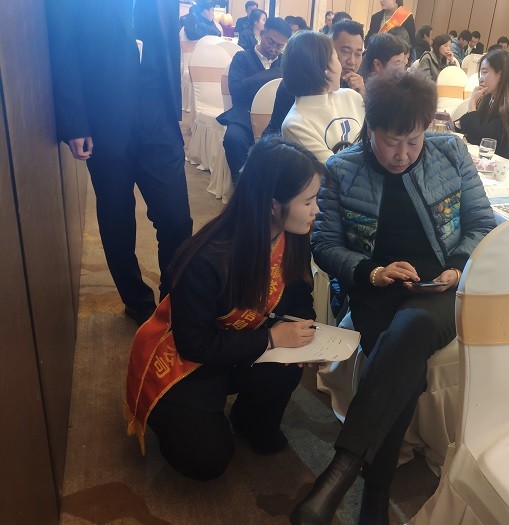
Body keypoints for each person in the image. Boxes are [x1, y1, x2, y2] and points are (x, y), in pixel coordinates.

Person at [292, 69, 496, 525]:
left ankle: (341, 473)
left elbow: (483, 223)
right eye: (391, 142)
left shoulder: (451, 153)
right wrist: (373, 271)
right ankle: (375, 491)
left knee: (414, 326)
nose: (402, 154)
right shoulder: (343, 169)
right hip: (377, 291)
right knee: (402, 358)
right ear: (371, 129)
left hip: (439, 289)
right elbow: (324, 245)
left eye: (413, 141)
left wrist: (456, 265)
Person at [125, 138, 323, 481]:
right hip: (185, 361)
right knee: (208, 459)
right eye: (308, 201)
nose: (316, 209)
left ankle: (249, 421)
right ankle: (173, 417)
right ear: (273, 205)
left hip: (237, 344)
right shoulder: (206, 258)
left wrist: (307, 334)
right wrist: (271, 340)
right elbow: (193, 343)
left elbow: (299, 294)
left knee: (287, 366)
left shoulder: (292, 236)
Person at [47, 0, 193, 325]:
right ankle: (137, 303)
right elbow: (63, 45)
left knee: (177, 220)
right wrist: (75, 121)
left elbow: (168, 40)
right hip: (103, 113)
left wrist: (173, 110)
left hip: (158, 111)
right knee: (117, 218)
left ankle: (172, 302)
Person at [218, 17, 292, 182]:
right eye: (270, 42)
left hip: (276, 119)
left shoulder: (284, 63)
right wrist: (274, 74)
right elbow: (236, 91)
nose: (273, 49)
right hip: (245, 116)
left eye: (279, 46)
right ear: (262, 33)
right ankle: (242, 185)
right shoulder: (242, 57)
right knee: (233, 139)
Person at [263, 20, 366, 138]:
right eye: (345, 51)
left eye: (358, 54)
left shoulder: (354, 87)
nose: (352, 61)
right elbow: (282, 134)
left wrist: (362, 97)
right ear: (328, 49)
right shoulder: (301, 85)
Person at [281, 31, 365, 163]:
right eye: (336, 58)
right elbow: (334, 169)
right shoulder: (295, 124)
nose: (341, 65)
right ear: (323, 68)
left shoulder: (352, 96)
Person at [459, 49, 509, 159]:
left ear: (500, 75)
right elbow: (469, 128)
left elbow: (480, 141)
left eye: (485, 72)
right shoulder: (489, 98)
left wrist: (472, 103)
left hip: (500, 164)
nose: (480, 79)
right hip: (485, 160)